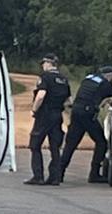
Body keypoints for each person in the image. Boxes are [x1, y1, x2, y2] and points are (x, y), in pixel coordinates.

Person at [60, 66, 112, 183]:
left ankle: (59, 173)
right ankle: (94, 174)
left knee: (71, 144)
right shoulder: (105, 83)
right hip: (88, 114)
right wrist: (108, 100)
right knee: (101, 142)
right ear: (109, 76)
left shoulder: (88, 79)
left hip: (76, 112)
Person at [25, 53, 71, 186]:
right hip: (57, 116)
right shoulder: (63, 79)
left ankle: (38, 176)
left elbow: (41, 96)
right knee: (55, 147)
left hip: (44, 115)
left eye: (43, 63)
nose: (42, 66)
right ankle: (55, 177)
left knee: (35, 145)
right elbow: (69, 101)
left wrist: (34, 110)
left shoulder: (45, 77)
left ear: (48, 63)